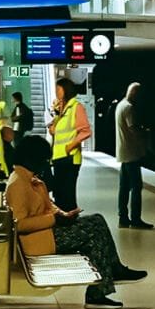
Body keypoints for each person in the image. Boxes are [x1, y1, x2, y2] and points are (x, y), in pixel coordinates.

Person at [5, 134, 146, 309]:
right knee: (93, 233)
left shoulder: (28, 179)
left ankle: (112, 271)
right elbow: (20, 224)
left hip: (47, 233)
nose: (46, 164)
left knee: (97, 220)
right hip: (40, 241)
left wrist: (63, 215)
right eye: (44, 159)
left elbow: (48, 206)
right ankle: (99, 291)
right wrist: (53, 219)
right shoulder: (18, 184)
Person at [48, 76, 91, 210]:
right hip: (59, 157)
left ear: (66, 89)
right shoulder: (63, 109)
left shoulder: (76, 107)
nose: (56, 92)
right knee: (59, 194)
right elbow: (55, 131)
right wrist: (55, 114)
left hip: (70, 157)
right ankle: (63, 223)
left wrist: (70, 146)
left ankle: (71, 224)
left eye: (58, 89)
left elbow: (86, 131)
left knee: (67, 194)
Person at [116, 81, 152, 229]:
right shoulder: (129, 108)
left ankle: (123, 218)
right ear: (135, 93)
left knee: (124, 187)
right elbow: (133, 129)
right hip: (131, 153)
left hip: (123, 152)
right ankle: (136, 219)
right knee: (136, 187)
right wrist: (146, 133)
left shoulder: (120, 105)